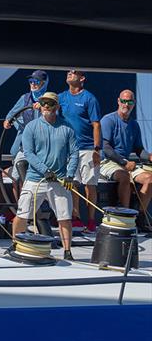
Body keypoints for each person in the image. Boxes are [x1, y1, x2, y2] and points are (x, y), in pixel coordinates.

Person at [12, 92, 78, 260]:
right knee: (22, 215)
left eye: (49, 103)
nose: (46, 106)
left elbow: (74, 153)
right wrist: (45, 171)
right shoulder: (31, 127)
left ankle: (67, 252)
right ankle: (15, 244)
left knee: (65, 217)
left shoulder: (67, 128)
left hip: (60, 180)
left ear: (57, 107)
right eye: (43, 103)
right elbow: (29, 153)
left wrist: (70, 175)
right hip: (35, 179)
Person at [58, 70, 101, 232]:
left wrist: (97, 149)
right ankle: (75, 218)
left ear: (82, 78)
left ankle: (91, 221)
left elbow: (96, 124)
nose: (70, 74)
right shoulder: (61, 97)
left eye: (74, 72)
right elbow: (48, 103)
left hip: (88, 148)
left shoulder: (89, 98)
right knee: (73, 184)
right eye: (68, 72)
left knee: (90, 185)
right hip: (69, 149)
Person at [99, 90, 152, 220]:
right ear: (118, 101)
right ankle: (125, 215)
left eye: (129, 101)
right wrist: (124, 162)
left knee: (149, 178)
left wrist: (149, 156)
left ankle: (139, 215)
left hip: (127, 163)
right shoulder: (108, 120)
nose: (126, 104)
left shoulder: (134, 124)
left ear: (134, 103)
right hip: (108, 162)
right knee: (124, 177)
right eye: (123, 101)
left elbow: (139, 149)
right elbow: (105, 148)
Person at [2, 70, 47, 199]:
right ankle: (20, 209)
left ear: (43, 83)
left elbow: (56, 116)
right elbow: (11, 114)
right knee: (16, 178)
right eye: (31, 81)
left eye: (36, 82)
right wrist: (7, 121)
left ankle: (37, 212)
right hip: (25, 146)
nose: (32, 84)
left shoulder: (49, 98)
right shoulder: (25, 98)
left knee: (36, 179)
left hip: (42, 148)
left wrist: (44, 107)